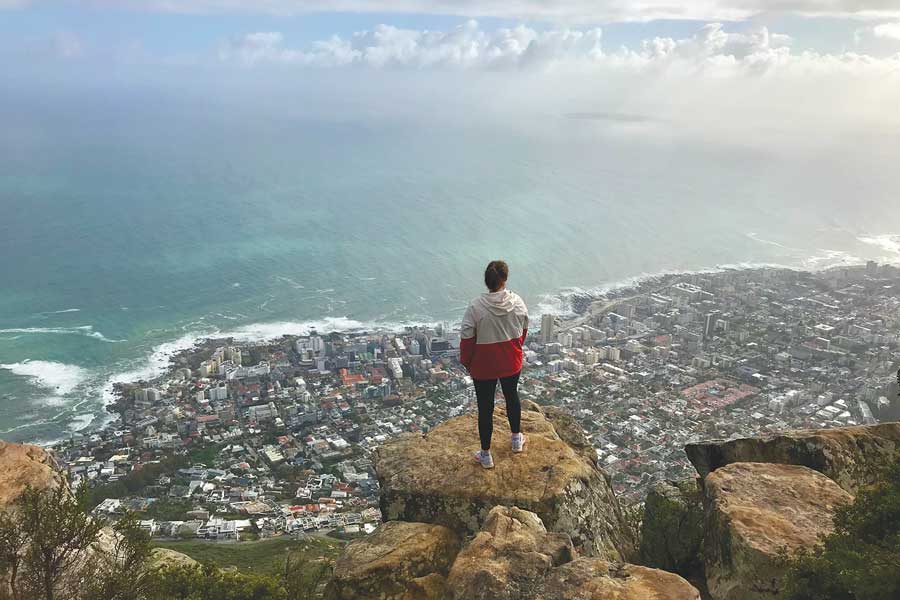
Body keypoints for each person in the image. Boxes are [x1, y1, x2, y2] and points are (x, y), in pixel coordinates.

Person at [460, 260, 529, 469]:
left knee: (485, 407)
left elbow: (466, 336)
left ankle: (486, 454)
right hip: (511, 359)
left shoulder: (476, 307)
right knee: (512, 397)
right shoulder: (517, 302)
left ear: (486, 282)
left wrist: (467, 362)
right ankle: (516, 439)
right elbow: (524, 328)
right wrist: (515, 348)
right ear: (505, 280)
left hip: (484, 364)